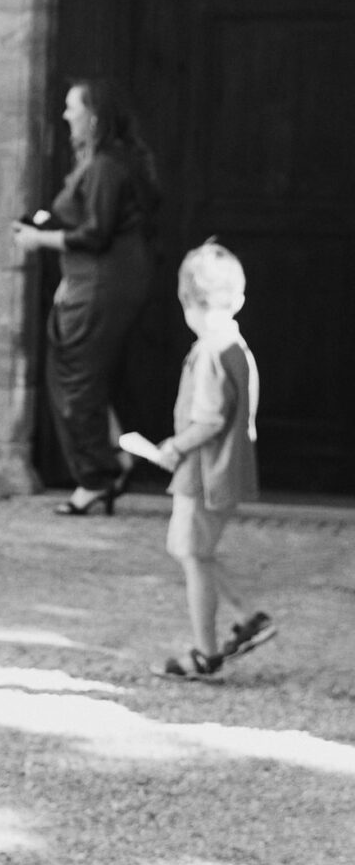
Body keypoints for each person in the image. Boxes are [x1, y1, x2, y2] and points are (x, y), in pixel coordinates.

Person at [13, 75, 161, 514]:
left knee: (74, 379)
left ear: (93, 117)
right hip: (93, 282)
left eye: (71, 107)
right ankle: (112, 461)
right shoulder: (100, 163)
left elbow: (96, 234)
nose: (64, 115)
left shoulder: (105, 168)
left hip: (101, 284)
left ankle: (96, 478)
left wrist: (38, 241)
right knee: (83, 376)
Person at [147, 239, 272, 680]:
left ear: (188, 302)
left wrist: (173, 447)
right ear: (237, 298)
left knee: (192, 555)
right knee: (191, 549)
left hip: (203, 471)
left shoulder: (209, 353)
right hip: (223, 469)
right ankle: (249, 617)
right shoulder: (237, 346)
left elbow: (208, 420)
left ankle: (205, 652)